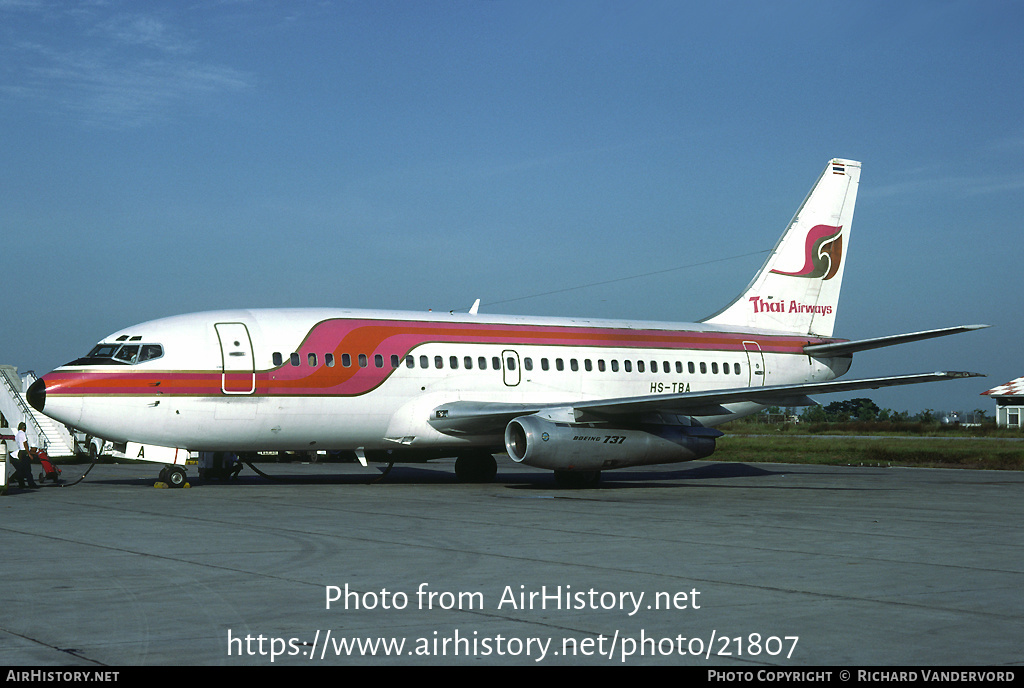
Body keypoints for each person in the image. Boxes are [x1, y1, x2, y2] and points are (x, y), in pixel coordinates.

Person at [12, 422, 37, 489]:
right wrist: (29, 453)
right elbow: (25, 443)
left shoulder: (17, 435)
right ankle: (31, 484)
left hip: (20, 452)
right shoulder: (23, 434)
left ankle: (21, 484)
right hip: (24, 452)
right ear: (24, 428)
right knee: (27, 469)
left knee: (21, 469)